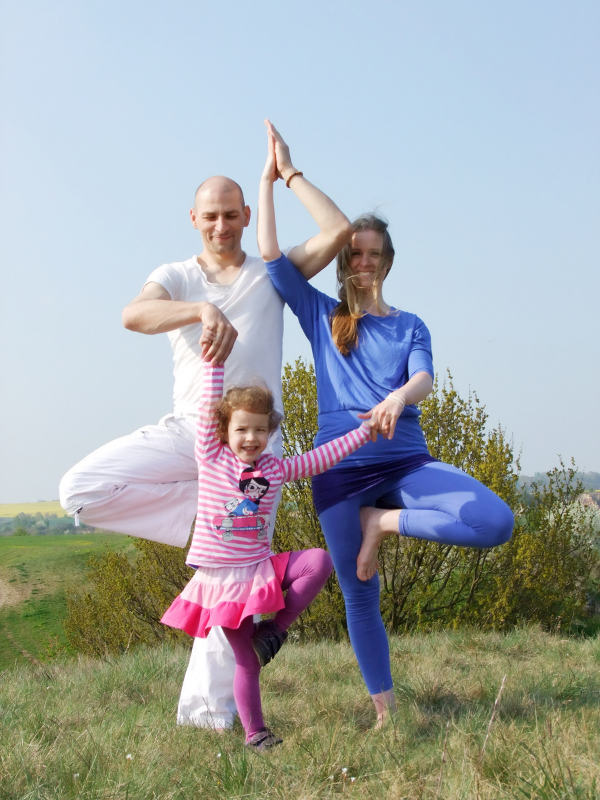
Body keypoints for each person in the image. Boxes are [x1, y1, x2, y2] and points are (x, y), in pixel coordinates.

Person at [58, 163, 352, 729]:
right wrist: (199, 309)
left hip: (254, 455)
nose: (222, 225)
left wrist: (286, 174)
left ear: (246, 216)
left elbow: (336, 230)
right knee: (80, 489)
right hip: (189, 437)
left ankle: (209, 716)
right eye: (210, 216)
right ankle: (197, 523)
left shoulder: (271, 273)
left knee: (237, 586)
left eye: (232, 214)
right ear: (195, 220)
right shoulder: (177, 274)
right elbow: (133, 314)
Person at [258, 121, 515, 728]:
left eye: (374, 253)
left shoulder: (411, 325)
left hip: (407, 461)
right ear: (344, 260)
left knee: (494, 522)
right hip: (340, 470)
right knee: (360, 597)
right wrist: (278, 177)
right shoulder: (321, 313)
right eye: (355, 253)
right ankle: (386, 714)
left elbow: (424, 379)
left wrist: (400, 395)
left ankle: (384, 521)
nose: (363, 260)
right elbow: (270, 254)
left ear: (389, 262)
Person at [160, 358, 372, 748]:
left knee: (319, 562)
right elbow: (210, 405)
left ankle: (273, 631)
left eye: (260, 429)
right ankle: (255, 733)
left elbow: (320, 459)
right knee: (246, 661)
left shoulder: (273, 469)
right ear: (225, 430)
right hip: (223, 582)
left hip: (259, 568)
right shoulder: (211, 457)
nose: (251, 437)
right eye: (241, 428)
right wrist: (215, 362)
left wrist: (364, 433)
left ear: (270, 431)